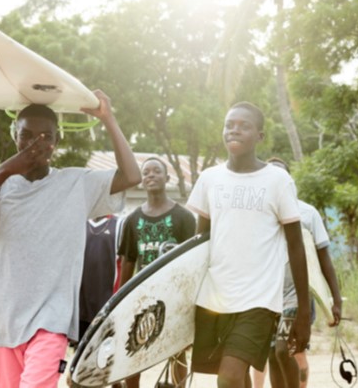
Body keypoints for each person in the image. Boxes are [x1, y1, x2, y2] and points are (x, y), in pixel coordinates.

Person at [0, 90, 141, 388]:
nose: (35, 144)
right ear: (14, 135)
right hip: (4, 324)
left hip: (52, 322)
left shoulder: (77, 183)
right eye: (26, 135)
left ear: (57, 140)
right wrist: (7, 169)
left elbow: (131, 176)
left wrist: (108, 118)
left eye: (45, 136)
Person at [186, 102, 311, 388]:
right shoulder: (209, 179)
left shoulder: (277, 180)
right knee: (237, 377)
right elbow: (199, 242)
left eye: (244, 126)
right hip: (214, 298)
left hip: (258, 301)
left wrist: (303, 311)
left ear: (260, 136)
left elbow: (296, 245)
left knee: (227, 379)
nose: (234, 130)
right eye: (229, 124)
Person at [118, 156, 196, 388]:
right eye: (146, 172)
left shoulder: (184, 217)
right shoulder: (133, 220)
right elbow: (129, 260)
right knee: (135, 352)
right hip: (143, 298)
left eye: (156, 171)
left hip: (175, 297)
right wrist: (122, 298)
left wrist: (190, 299)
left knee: (176, 350)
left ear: (167, 178)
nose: (151, 175)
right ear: (141, 181)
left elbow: (193, 261)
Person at [266, 157, 343, 388]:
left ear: (289, 181)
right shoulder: (261, 215)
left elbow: (324, 259)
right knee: (271, 355)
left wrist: (335, 299)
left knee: (284, 350)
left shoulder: (307, 213)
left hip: (297, 295)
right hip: (267, 294)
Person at [75, 215, 121, 349]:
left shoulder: (118, 224)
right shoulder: (80, 223)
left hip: (105, 305)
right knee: (80, 355)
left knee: (103, 354)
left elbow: (124, 262)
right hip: (82, 308)